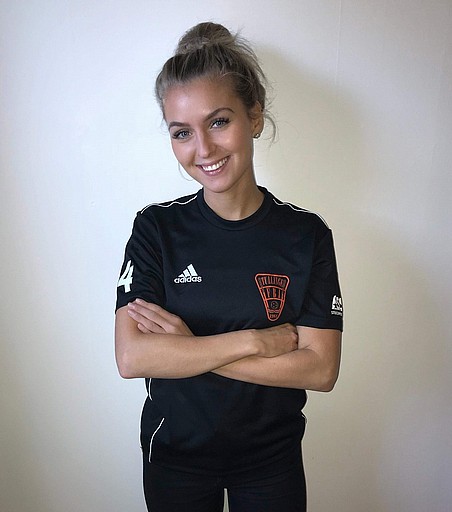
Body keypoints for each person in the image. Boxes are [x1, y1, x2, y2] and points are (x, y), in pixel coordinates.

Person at [115, 21, 343, 512]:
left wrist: (189, 348)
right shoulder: (156, 229)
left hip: (271, 463)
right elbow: (132, 358)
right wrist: (254, 341)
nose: (203, 149)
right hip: (175, 458)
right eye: (182, 132)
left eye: (218, 122)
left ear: (254, 115)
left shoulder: (306, 235)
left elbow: (322, 369)